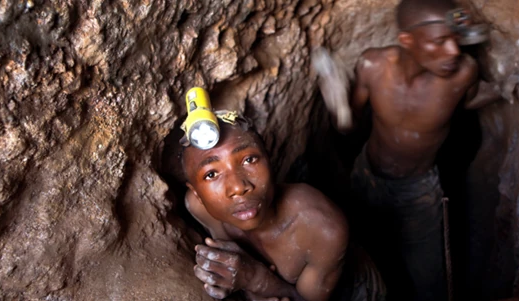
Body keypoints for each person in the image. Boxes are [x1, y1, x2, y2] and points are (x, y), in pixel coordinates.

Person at [339, 0, 502, 300]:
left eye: (456, 40)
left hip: (419, 193)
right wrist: (340, 111)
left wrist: (505, 86)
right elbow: (350, 121)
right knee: (361, 267)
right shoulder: (373, 66)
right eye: (440, 41)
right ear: (407, 40)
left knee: (431, 283)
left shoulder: (463, 73)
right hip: (366, 178)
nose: (453, 51)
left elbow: (466, 100)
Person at [181, 111, 386, 301]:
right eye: (211, 174)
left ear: (269, 158)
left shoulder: (322, 228)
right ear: (197, 193)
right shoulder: (198, 208)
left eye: (248, 159)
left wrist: (255, 278)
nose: (238, 187)